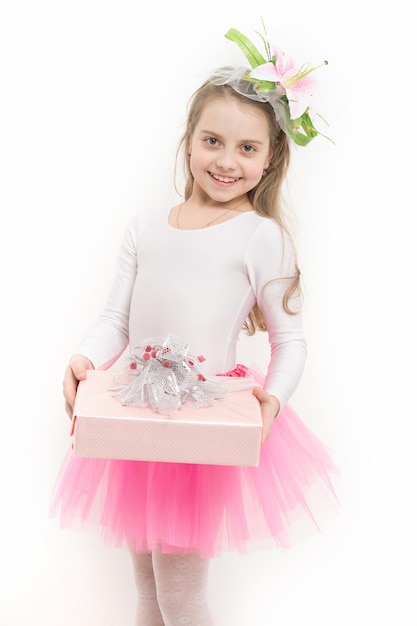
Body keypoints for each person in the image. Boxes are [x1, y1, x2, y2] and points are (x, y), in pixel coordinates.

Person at [50, 23, 338, 626]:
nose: (226, 161)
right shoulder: (147, 227)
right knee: (146, 586)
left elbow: (291, 342)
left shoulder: (261, 237)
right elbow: (114, 320)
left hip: (203, 425)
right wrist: (83, 358)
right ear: (188, 143)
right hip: (135, 413)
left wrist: (272, 403)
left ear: (270, 158)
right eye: (213, 140)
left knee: (182, 591)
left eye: (247, 148)